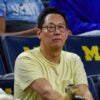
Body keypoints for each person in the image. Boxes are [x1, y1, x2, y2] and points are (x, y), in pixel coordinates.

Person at [14, 7, 93, 100]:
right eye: (51, 27)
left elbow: (84, 93)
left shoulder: (74, 59)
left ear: (67, 34)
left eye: (61, 27)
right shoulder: (25, 59)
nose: (57, 32)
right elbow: (47, 93)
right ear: (39, 33)